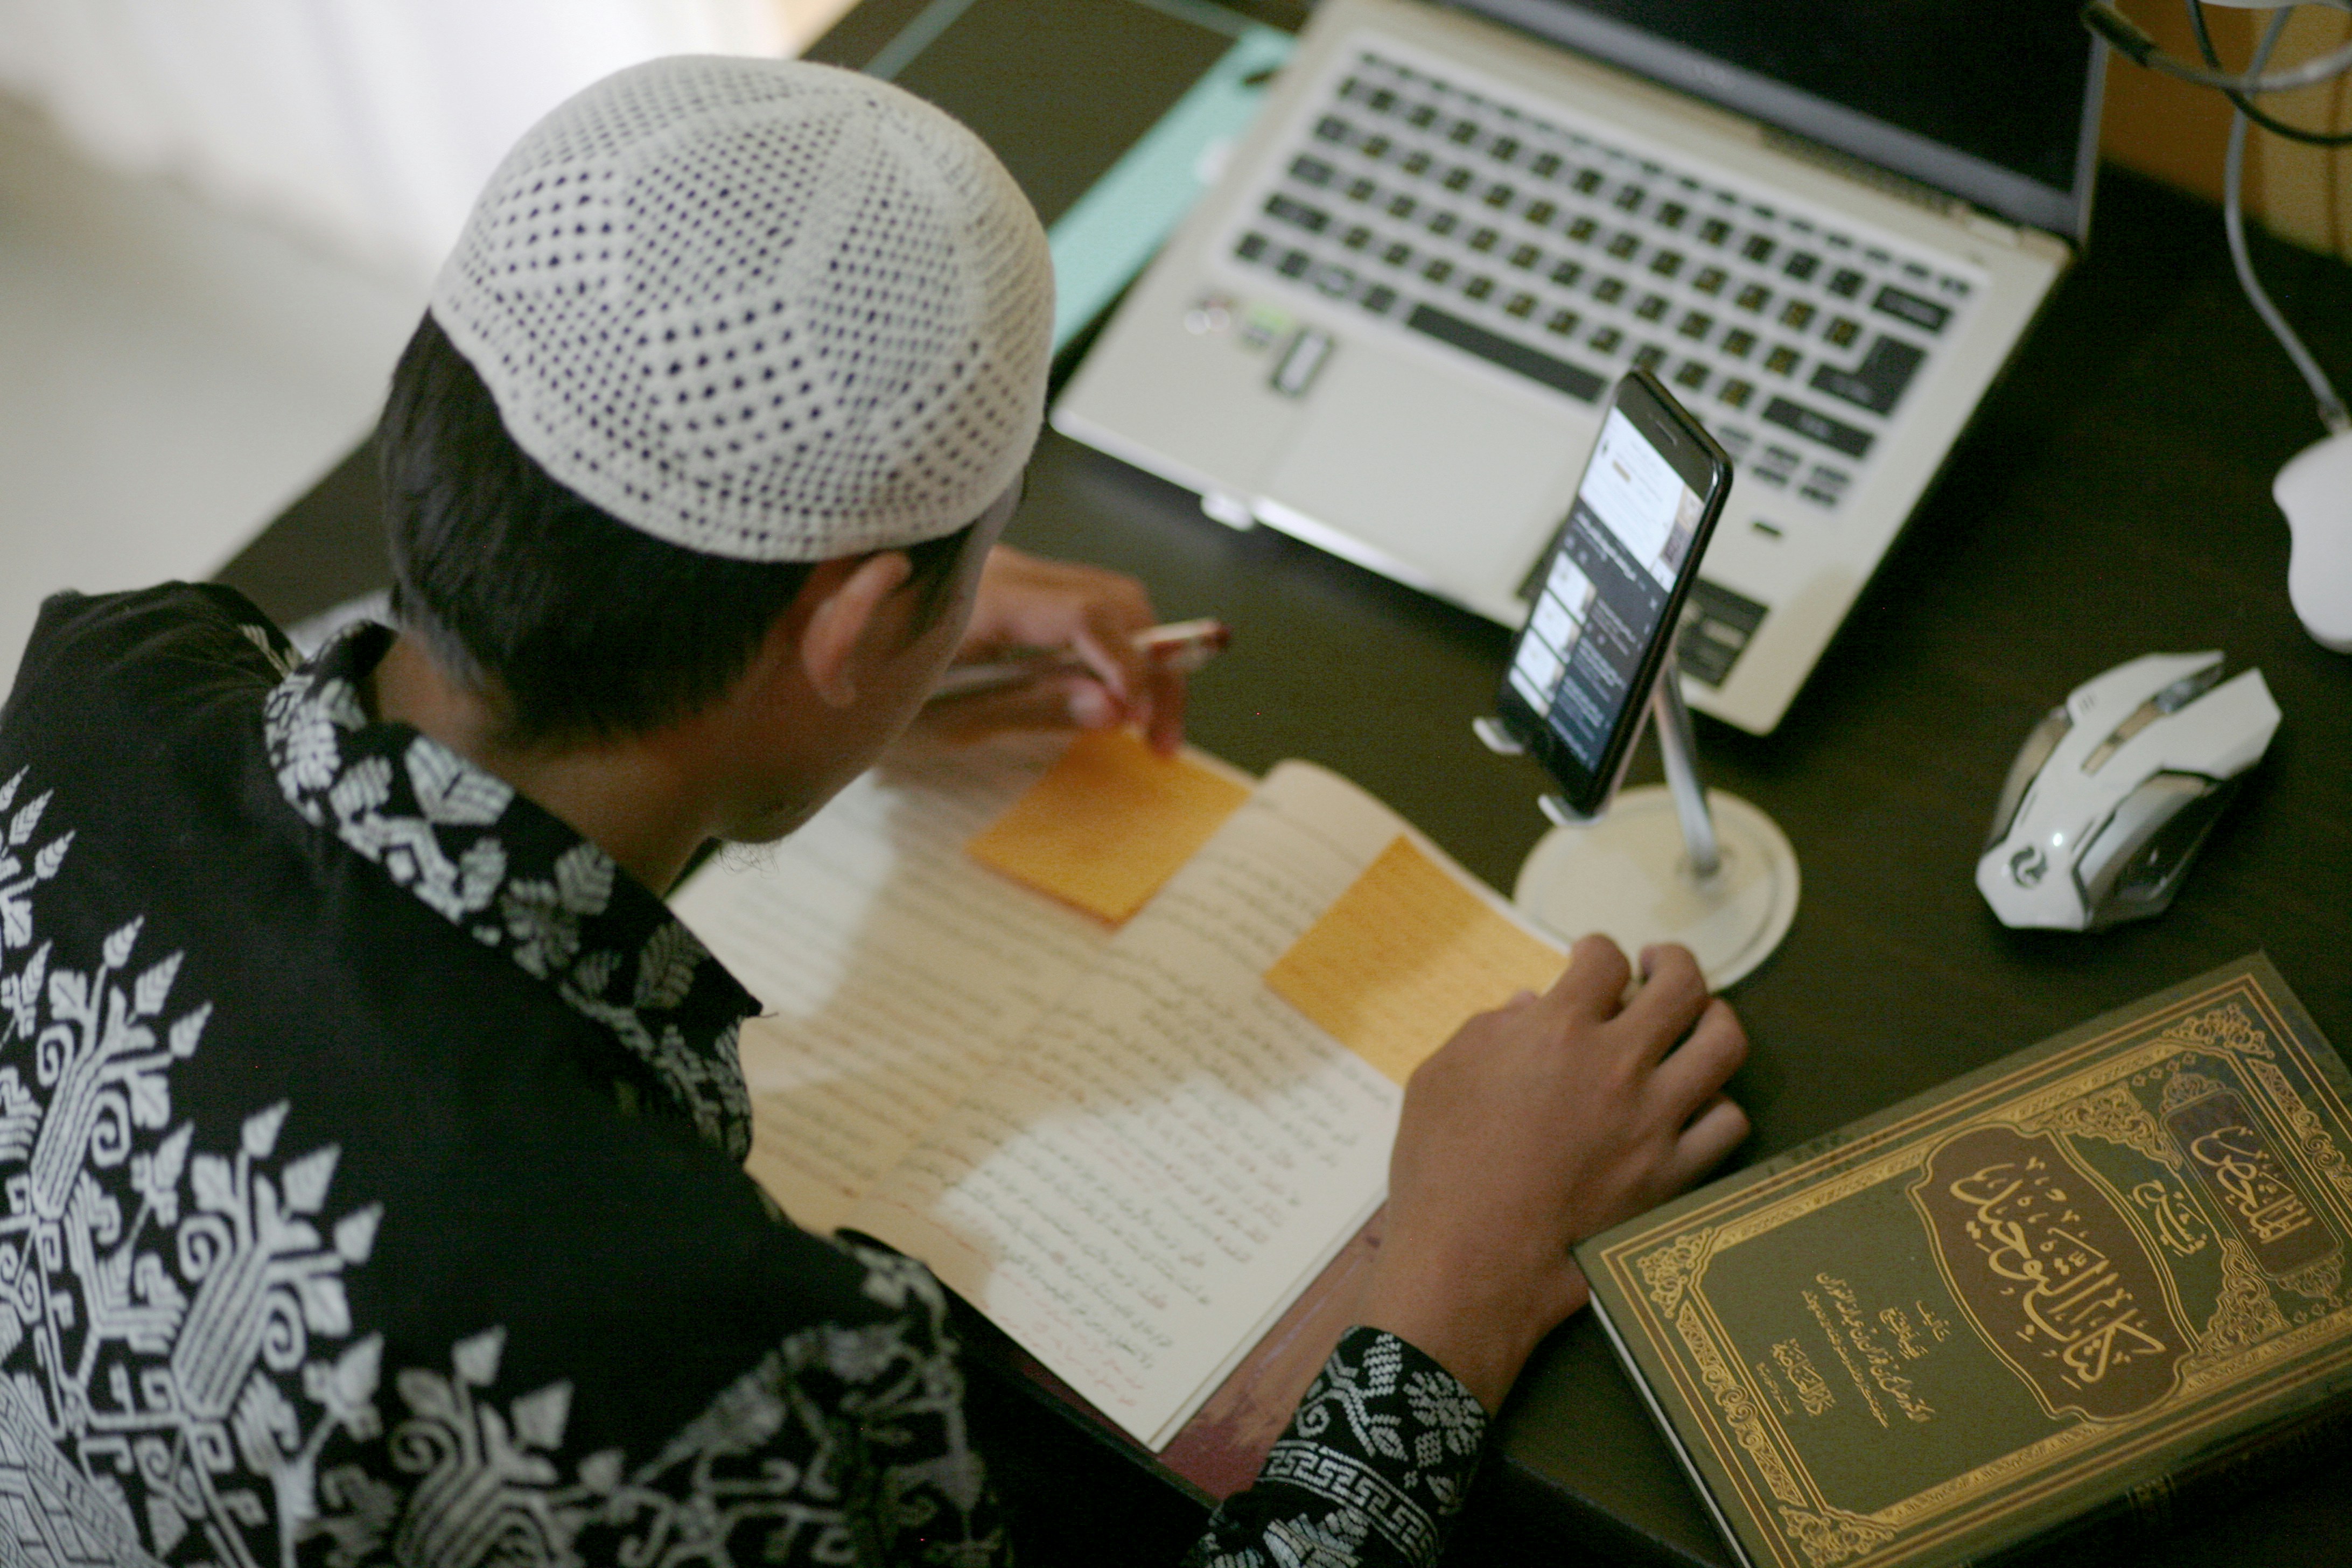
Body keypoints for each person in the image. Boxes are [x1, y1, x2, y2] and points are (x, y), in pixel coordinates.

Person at [0, 57, 1746, 1568]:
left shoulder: (104, 680)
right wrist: (1449, 1291)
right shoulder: (714, 1354)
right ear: (842, 629)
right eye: (960, 565)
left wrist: (813, 674)